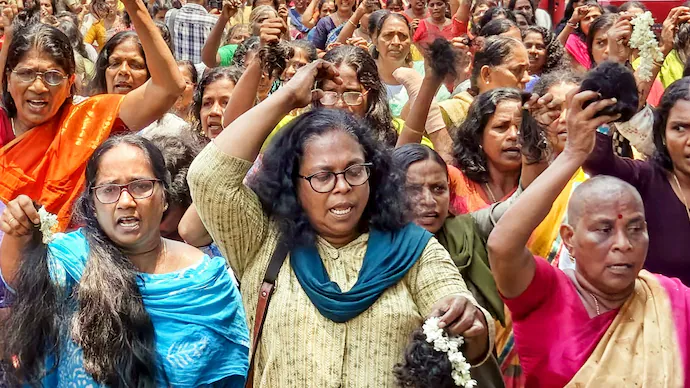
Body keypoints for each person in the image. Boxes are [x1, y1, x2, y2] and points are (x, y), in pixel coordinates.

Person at [187, 60, 493, 387]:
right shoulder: (262, 241)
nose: (343, 186)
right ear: (293, 183)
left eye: (354, 171)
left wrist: (468, 319)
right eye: (322, 176)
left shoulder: (413, 249)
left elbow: (468, 321)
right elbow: (208, 178)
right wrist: (288, 96)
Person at [0, 135, 250, 386]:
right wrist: (17, 232)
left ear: (164, 197)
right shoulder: (73, 260)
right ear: (93, 204)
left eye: (141, 186)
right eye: (109, 190)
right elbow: (18, 279)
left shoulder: (207, 281)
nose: (126, 202)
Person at [487, 87, 690, 387]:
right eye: (604, 230)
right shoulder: (546, 294)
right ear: (568, 238)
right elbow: (501, 246)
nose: (624, 244)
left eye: (636, 228)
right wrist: (572, 154)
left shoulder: (673, 301)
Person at [0, 0, 185, 232]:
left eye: (53, 76)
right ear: (8, 80)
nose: (39, 86)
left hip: (75, 261)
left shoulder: (91, 119)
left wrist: (134, 7)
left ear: (70, 83)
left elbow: (168, 87)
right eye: (26, 74)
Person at [582, 77, 690, 286]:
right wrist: (600, 115)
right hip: (660, 316)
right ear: (663, 134)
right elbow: (598, 162)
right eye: (679, 128)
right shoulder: (644, 179)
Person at [90, 31, 190, 137]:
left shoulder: (172, 131)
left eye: (135, 65)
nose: (123, 70)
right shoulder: (87, 123)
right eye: (115, 63)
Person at [448, 88, 526, 216]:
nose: (513, 135)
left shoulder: (541, 184)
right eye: (501, 127)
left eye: (522, 128)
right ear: (478, 135)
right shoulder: (452, 181)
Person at [439, 36, 530, 129]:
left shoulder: (527, 114)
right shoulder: (447, 114)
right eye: (517, 70)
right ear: (486, 74)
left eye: (527, 70)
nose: (527, 78)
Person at [193, 66, 243, 139]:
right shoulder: (187, 149)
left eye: (226, 103)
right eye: (207, 103)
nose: (214, 111)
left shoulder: (262, 149)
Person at [557, 0, 603, 71]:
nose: (592, 21)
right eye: (586, 19)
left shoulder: (611, 38)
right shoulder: (573, 42)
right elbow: (555, 50)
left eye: (595, 16)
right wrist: (573, 21)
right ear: (580, 25)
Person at [522, 26, 565, 90]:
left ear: (550, 52)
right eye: (528, 46)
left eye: (539, 47)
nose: (532, 51)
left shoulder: (556, 83)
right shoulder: (510, 79)